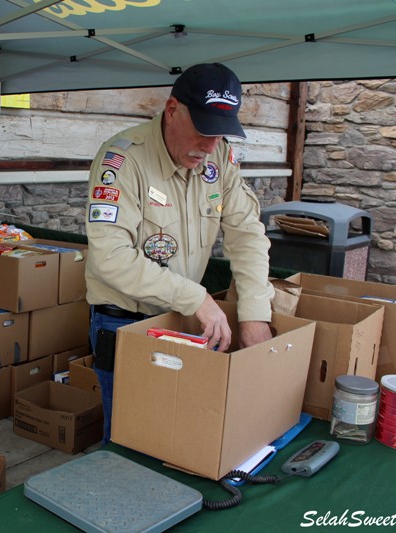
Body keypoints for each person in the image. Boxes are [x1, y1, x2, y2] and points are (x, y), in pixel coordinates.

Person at [84, 63, 275, 444]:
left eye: (220, 134)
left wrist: (255, 313)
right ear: (172, 110)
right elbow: (110, 257)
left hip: (183, 318)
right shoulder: (123, 160)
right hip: (125, 324)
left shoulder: (219, 158)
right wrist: (196, 297)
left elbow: (247, 234)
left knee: (179, 436)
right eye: (204, 130)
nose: (209, 146)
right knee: (129, 441)